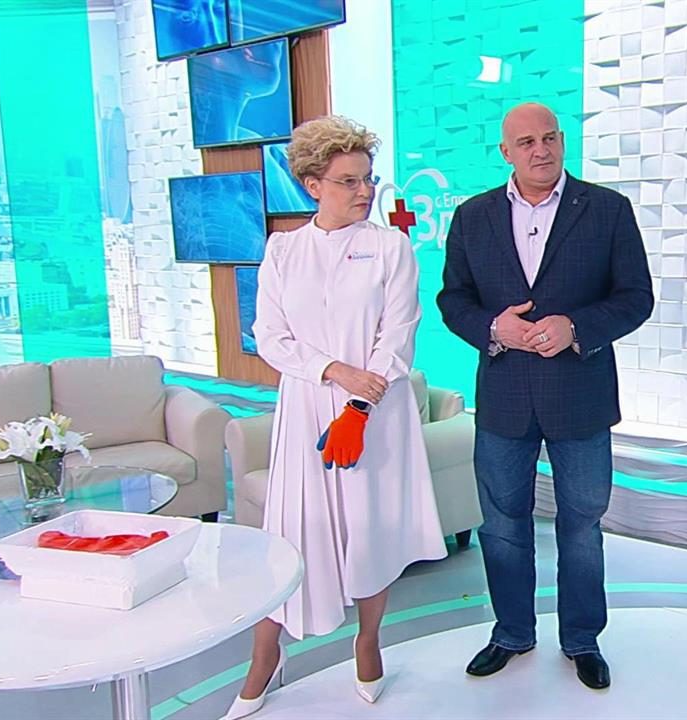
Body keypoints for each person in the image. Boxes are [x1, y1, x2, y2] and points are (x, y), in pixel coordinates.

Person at [226, 116, 447, 718]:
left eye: (368, 178)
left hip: (374, 409)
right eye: (349, 181)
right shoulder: (283, 250)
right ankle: (265, 656)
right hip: (305, 409)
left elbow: (397, 336)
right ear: (313, 185)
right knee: (293, 531)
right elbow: (270, 336)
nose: (364, 191)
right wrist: (332, 371)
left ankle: (368, 640)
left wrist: (358, 404)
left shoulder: (390, 247)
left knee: (368, 527)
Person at [437, 102, 653, 690]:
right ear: (506, 152)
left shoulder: (607, 209)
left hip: (580, 397)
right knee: (502, 524)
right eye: (527, 142)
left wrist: (576, 327)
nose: (542, 150)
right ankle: (512, 632)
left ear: (562, 141)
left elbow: (636, 297)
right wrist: (493, 329)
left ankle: (582, 639)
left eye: (550, 138)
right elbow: (453, 299)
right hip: (504, 398)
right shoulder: (472, 216)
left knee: (582, 525)